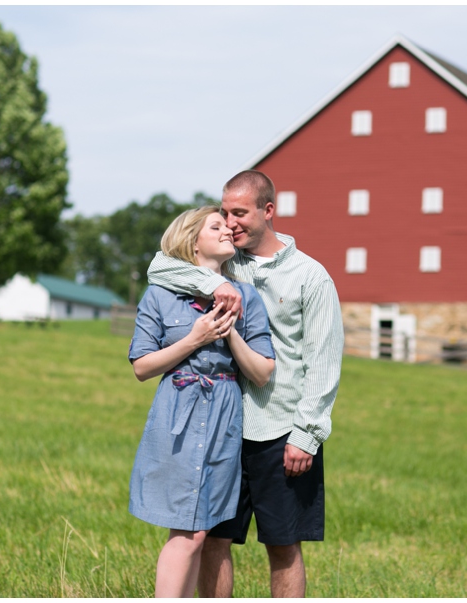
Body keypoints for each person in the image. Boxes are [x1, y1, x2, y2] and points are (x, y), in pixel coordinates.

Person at [146, 170, 344, 598]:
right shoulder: (225, 261)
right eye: (224, 213)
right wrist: (216, 281)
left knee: (283, 545)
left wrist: (306, 436)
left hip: (282, 430)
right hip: (221, 427)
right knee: (214, 538)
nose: (230, 222)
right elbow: (160, 264)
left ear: (268, 211)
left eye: (239, 213)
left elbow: (324, 362)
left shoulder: (311, 277)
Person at [128, 205, 275, 598]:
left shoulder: (247, 297)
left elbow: (262, 372)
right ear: (194, 242)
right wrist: (194, 338)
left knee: (202, 529)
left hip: (225, 417)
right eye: (217, 226)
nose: (229, 230)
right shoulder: (160, 294)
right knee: (189, 531)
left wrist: (229, 333)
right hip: (179, 410)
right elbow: (142, 367)